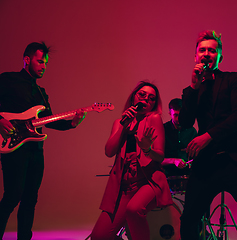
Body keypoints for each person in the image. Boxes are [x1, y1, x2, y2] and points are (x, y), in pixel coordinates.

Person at [179, 30, 237, 240]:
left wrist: (207, 136)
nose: (207, 54)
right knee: (190, 218)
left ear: (219, 56)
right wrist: (194, 86)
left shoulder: (233, 79)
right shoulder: (190, 90)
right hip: (207, 162)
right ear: (195, 56)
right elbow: (184, 123)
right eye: (202, 50)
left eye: (212, 50)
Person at [0, 42, 86, 240]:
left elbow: (50, 121)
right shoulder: (8, 80)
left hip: (36, 151)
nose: (44, 66)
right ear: (27, 60)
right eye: (40, 61)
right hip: (13, 149)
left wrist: (73, 123)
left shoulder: (41, 93)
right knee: (12, 196)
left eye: (46, 63)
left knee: (30, 199)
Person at [91, 81, 173, 240]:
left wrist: (147, 149)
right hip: (125, 187)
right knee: (98, 237)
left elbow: (160, 156)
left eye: (151, 98)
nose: (146, 99)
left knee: (134, 209)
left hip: (148, 181)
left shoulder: (154, 119)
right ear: (133, 97)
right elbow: (109, 151)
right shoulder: (119, 122)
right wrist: (123, 125)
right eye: (142, 94)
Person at [161, 98, 197, 177]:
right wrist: (173, 161)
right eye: (175, 115)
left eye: (181, 115)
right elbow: (155, 159)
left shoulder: (192, 131)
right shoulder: (162, 130)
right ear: (170, 113)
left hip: (188, 175)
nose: (178, 119)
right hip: (166, 176)